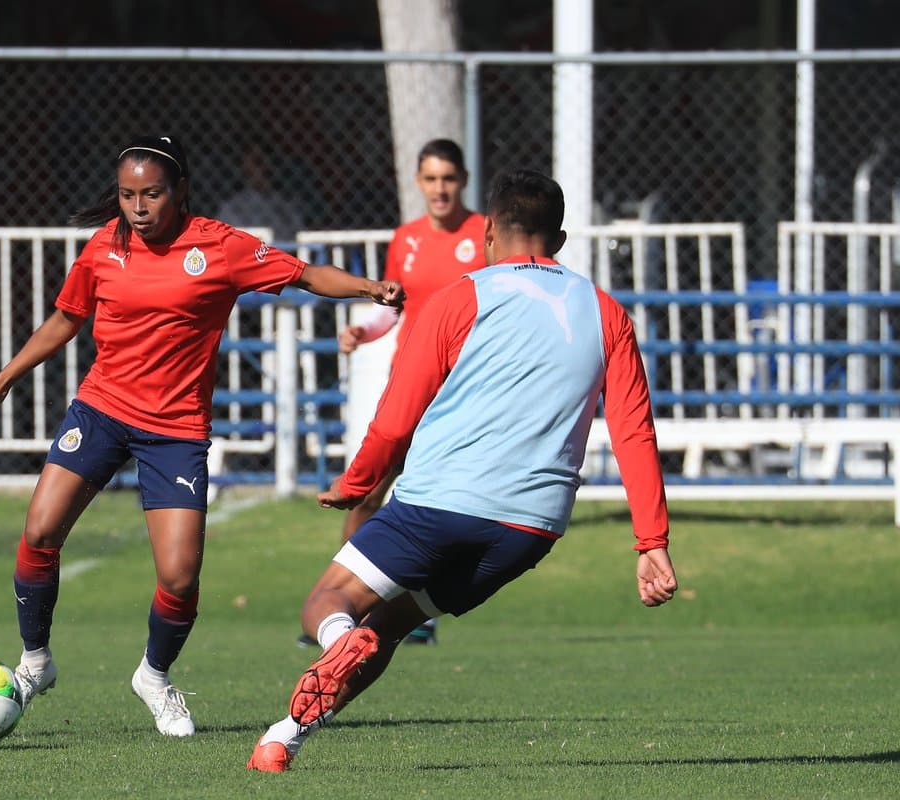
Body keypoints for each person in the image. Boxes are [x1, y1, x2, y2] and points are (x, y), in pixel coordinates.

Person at [0, 135, 404, 738]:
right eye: (127, 194)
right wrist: (1, 381)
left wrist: (371, 289)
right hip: (101, 411)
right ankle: (35, 660)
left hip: (175, 433)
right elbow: (65, 318)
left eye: (152, 194)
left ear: (180, 190)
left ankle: (155, 678)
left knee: (180, 577)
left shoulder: (220, 246)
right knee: (39, 530)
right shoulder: (103, 247)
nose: (137, 206)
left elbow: (304, 273)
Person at [248, 168, 677, 772]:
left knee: (329, 602)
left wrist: (358, 480)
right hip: (529, 528)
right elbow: (635, 432)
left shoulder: (461, 297)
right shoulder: (607, 313)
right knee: (390, 627)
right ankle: (281, 739)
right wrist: (651, 542)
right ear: (559, 238)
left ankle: (337, 645)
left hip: (439, 502)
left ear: (488, 231)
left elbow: (398, 415)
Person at [298, 138, 487, 648]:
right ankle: (334, 603)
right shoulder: (406, 238)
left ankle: (412, 613)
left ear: (463, 180)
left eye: (448, 177)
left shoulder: (484, 235)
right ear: (419, 183)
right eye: (430, 178)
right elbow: (394, 305)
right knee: (368, 491)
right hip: (410, 383)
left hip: (462, 391)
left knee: (432, 499)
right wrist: (364, 330)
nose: (440, 188)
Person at [217, 141, 306, 243]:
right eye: (257, 162)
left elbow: (300, 238)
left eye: (262, 161)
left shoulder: (286, 205)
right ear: (244, 167)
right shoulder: (232, 207)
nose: (261, 168)